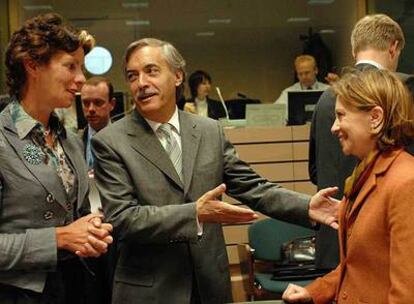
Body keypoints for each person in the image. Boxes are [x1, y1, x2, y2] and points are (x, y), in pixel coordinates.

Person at [91, 38, 339, 304]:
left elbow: (253, 186)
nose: (141, 83)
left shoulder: (209, 131)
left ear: (177, 76)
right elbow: (123, 218)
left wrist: (306, 206)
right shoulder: (111, 141)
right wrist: (195, 214)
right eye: (132, 76)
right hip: (149, 291)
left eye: (151, 71)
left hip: (209, 285)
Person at [0, 13, 113, 303]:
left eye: (82, 67)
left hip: (76, 285)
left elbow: (78, 215)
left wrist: (91, 229)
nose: (81, 79)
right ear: (33, 65)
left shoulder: (72, 141)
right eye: (70, 66)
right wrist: (59, 238)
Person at [283, 69, 414, 304]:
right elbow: (360, 265)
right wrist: (315, 291)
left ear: (375, 118)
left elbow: (407, 292)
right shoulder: (366, 173)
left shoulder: (406, 182)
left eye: (341, 116)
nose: (334, 128)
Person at [308, 13, 409, 272]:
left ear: (354, 50)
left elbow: (315, 170)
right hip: (382, 246)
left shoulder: (325, 99)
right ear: (394, 47)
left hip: (333, 241)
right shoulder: (402, 92)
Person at [80, 76, 115, 172]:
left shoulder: (126, 140)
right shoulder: (74, 141)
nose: (91, 109)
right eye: (86, 103)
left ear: (112, 104)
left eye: (98, 102)